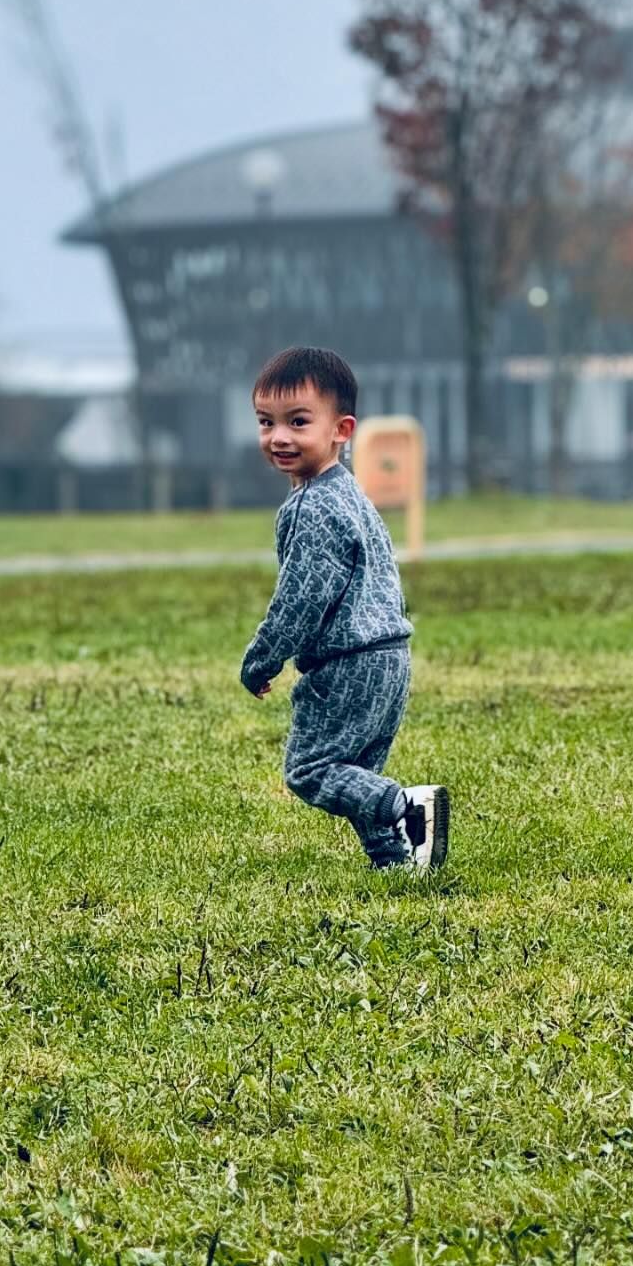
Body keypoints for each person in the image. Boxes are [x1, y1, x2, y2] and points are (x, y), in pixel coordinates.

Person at [239, 345, 449, 873]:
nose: (279, 436)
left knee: (312, 769)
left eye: (299, 421)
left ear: (342, 429)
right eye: (267, 422)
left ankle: (405, 806)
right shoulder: (349, 494)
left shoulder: (312, 506)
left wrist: (263, 657)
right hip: (389, 655)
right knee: (356, 773)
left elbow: (302, 597)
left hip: (347, 662)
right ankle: (397, 861)